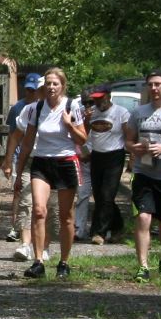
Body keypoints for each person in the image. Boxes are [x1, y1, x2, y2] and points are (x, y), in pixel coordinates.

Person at [15, 68, 87, 279]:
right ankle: (38, 261)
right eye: (48, 83)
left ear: (62, 86)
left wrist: (69, 126)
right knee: (39, 210)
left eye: (55, 83)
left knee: (65, 217)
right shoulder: (36, 108)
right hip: (42, 162)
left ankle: (64, 263)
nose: (51, 87)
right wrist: (19, 174)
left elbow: (83, 139)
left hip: (66, 162)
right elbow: (27, 143)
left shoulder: (71, 106)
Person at [125, 69, 161, 282]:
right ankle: (143, 266)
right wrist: (135, 148)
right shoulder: (139, 112)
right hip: (142, 172)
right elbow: (127, 140)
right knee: (143, 217)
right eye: (150, 84)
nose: (154, 88)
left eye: (158, 84)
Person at [2, 74, 58, 262]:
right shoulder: (29, 110)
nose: (45, 92)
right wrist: (9, 160)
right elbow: (16, 136)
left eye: (49, 88)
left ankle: (44, 246)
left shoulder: (63, 109)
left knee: (47, 206)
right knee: (27, 201)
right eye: (42, 89)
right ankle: (25, 245)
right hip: (29, 161)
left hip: (54, 162)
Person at [84, 84, 130, 245]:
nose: (97, 102)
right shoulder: (92, 114)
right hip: (97, 156)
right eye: (95, 99)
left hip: (115, 156)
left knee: (107, 194)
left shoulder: (121, 112)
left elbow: (128, 134)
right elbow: (85, 134)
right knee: (99, 195)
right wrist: (86, 120)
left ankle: (99, 233)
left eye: (100, 98)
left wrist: (132, 152)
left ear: (108, 96)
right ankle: (118, 226)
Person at [2, 73, 43, 243]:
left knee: (39, 198)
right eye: (28, 90)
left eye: (33, 91)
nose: (30, 93)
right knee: (19, 192)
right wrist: (8, 160)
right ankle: (16, 227)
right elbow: (14, 135)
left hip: (41, 156)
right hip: (21, 155)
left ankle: (36, 232)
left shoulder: (46, 108)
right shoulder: (18, 108)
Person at [74, 89, 94, 241]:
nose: (88, 106)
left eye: (91, 103)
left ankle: (102, 229)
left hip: (103, 160)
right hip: (83, 160)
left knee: (104, 196)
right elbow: (81, 136)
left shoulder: (106, 113)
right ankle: (79, 228)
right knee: (82, 194)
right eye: (85, 103)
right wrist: (86, 120)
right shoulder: (78, 114)